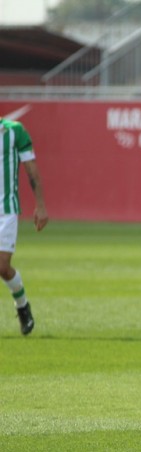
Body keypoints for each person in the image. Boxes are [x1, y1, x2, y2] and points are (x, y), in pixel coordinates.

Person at [0, 115, 48, 335]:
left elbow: (31, 170)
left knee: (2, 267)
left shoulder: (14, 131)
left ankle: (22, 306)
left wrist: (40, 205)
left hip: (6, 209)